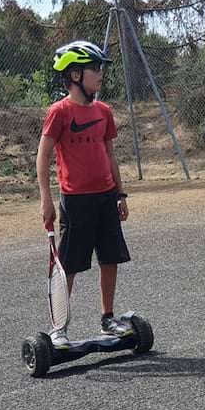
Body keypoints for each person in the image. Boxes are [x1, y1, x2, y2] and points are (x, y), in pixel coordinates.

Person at [36, 40, 133, 347]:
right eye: (95, 68)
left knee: (110, 258)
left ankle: (108, 319)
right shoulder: (59, 112)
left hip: (105, 197)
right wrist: (46, 199)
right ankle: (58, 328)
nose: (100, 74)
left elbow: (110, 155)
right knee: (70, 265)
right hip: (75, 202)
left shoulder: (104, 111)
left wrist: (120, 194)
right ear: (76, 75)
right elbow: (43, 157)